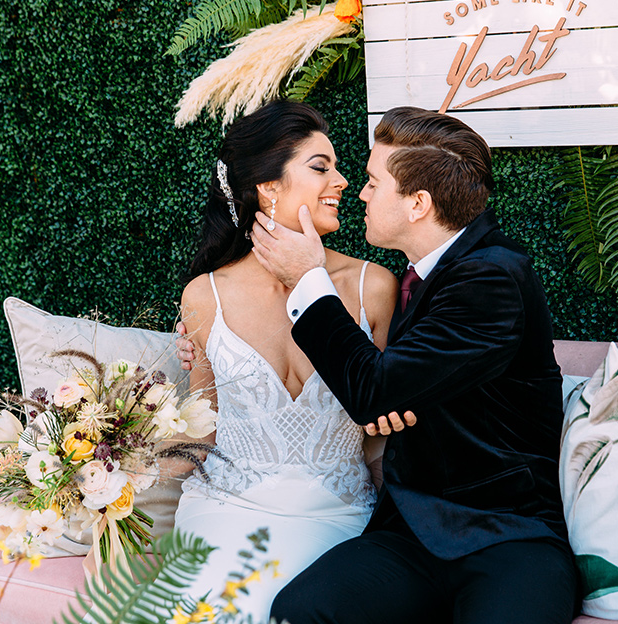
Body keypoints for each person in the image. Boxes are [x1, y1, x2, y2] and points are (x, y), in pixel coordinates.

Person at [245, 106, 577, 624]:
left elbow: (373, 390)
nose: (360, 193)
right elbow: (390, 386)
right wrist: (391, 394)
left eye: (375, 182)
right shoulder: (424, 276)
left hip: (505, 538)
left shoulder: (492, 279)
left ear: (418, 204)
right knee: (299, 612)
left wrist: (309, 279)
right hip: (410, 535)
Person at [167, 100, 411, 621]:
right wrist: (107, 468)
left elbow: (382, 430)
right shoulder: (205, 296)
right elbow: (200, 431)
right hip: (227, 510)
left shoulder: (373, 287)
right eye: (321, 167)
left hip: (340, 517)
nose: (344, 181)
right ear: (268, 188)